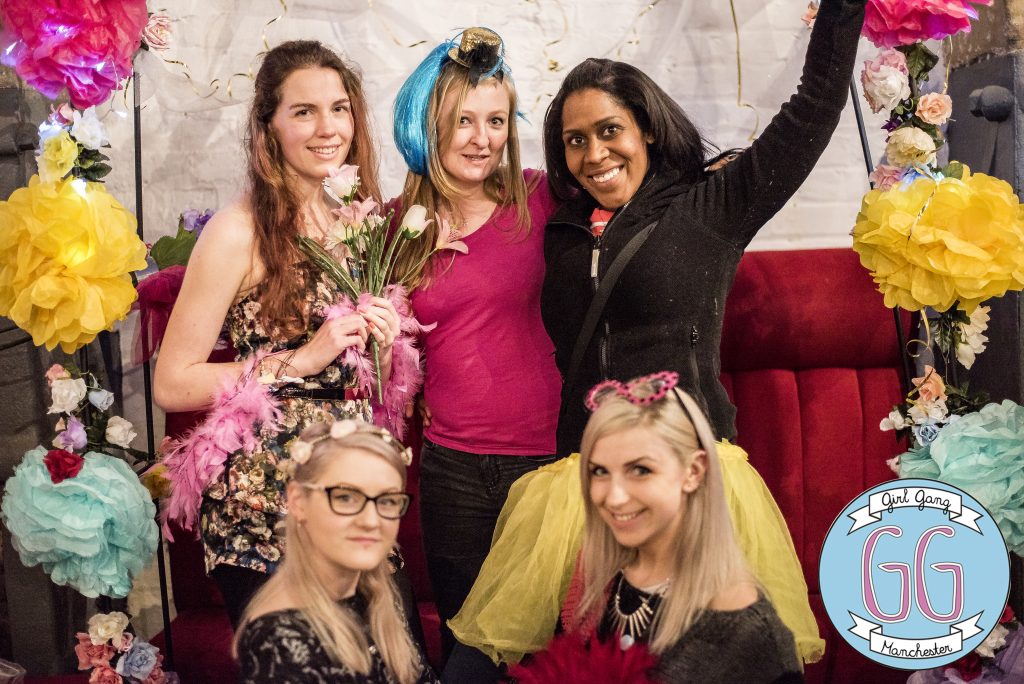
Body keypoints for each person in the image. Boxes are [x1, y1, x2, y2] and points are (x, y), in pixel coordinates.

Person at [454, 0, 868, 671]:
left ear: (646, 129)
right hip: (579, 487)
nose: (595, 154)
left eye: (609, 130)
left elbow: (815, 106)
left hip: (688, 479)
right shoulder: (557, 226)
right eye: (574, 140)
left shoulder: (711, 208)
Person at [153, 40, 402, 626]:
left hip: (353, 498)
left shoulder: (357, 219)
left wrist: (385, 350)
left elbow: (364, 383)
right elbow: (171, 382)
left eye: (339, 108)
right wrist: (300, 361)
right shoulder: (237, 231)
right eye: (303, 111)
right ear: (269, 129)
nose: (327, 127)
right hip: (269, 510)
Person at [390, 27, 563, 666]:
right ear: (429, 123)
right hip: (452, 469)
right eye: (463, 121)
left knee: (536, 653)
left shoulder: (542, 196)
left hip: (545, 461)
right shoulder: (395, 226)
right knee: (466, 648)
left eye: (496, 120)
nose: (482, 138)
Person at [548, 371, 802, 683]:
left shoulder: (746, 630)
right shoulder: (602, 586)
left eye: (640, 470)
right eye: (599, 471)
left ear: (694, 471)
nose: (613, 497)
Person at [235, 420, 439, 683]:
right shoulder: (281, 644)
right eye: (345, 497)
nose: (371, 520)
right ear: (298, 501)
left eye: (387, 500)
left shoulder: (377, 599)